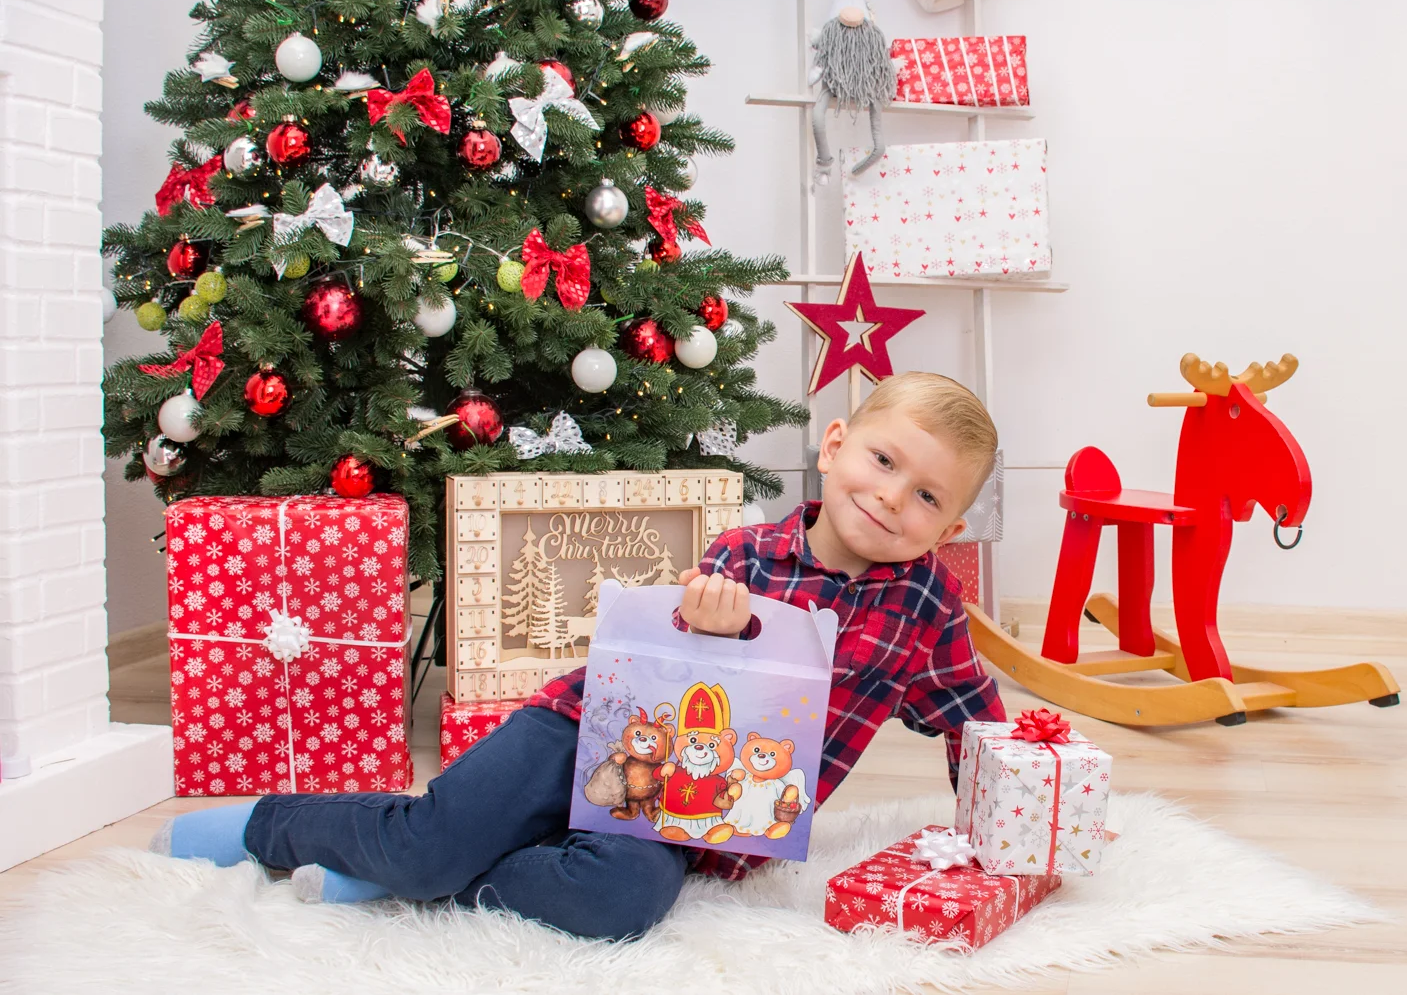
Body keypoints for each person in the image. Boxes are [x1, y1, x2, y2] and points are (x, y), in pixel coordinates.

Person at [149, 371, 1008, 940]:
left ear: (952, 527)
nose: (892, 496)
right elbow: (659, 682)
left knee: (622, 902)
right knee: (428, 840)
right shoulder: (748, 557)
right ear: (833, 447)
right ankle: (276, 825)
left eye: (926, 494)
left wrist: (1016, 813)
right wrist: (711, 629)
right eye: (882, 460)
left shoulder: (927, 609)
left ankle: (419, 887)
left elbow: (974, 728)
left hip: (677, 816)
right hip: (579, 732)